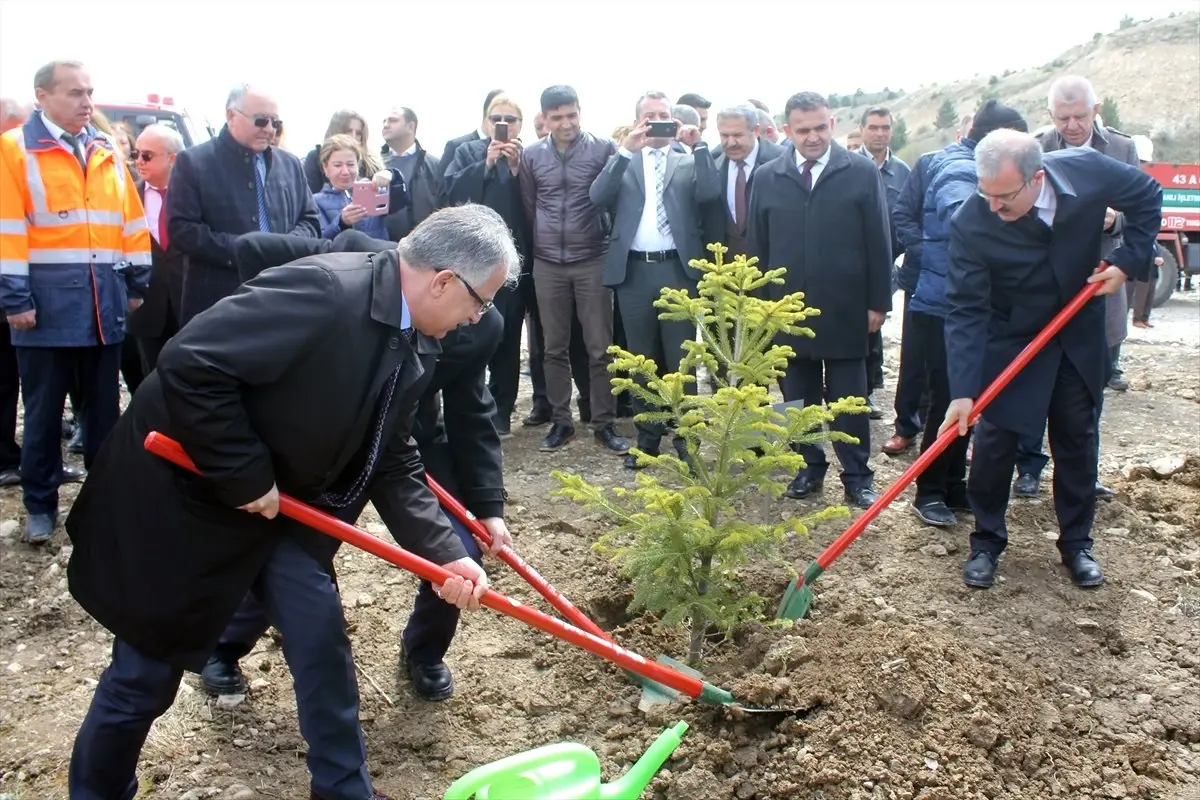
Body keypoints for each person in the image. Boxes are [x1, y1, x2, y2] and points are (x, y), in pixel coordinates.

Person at [63, 204, 519, 800]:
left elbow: (393, 455)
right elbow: (192, 364)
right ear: (442, 281)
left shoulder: (417, 341)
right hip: (185, 499)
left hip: (278, 505)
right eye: (479, 302)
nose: (476, 318)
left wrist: (443, 553)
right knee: (144, 676)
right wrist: (246, 475)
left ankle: (341, 789)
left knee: (319, 636)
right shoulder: (325, 291)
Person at [942, 130, 1161, 590]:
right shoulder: (973, 221)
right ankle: (986, 541)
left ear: (1036, 178)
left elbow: (1146, 194)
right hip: (1013, 339)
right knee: (997, 443)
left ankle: (1077, 543)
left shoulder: (1087, 170)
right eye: (986, 195)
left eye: (1004, 196)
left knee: (1077, 439)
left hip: (1077, 331)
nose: (993, 207)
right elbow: (965, 308)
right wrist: (963, 390)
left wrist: (1127, 260)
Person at [0, 60, 151, 543]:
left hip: (101, 309)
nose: (87, 102)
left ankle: (102, 507)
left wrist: (135, 285)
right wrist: (14, 298)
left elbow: (130, 221)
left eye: (90, 92)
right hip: (43, 310)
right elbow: (7, 231)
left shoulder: (104, 148)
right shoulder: (13, 151)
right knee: (43, 416)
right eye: (74, 93)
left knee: (104, 416)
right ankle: (40, 505)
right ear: (42, 96)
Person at [748, 92, 893, 509]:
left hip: (846, 307)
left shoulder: (861, 172)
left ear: (831, 123)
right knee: (796, 397)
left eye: (819, 128)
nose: (812, 137)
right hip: (786, 310)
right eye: (802, 129)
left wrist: (877, 304)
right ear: (787, 129)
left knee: (849, 399)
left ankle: (857, 475)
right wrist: (761, 306)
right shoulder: (768, 177)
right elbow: (758, 244)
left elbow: (879, 242)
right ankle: (808, 466)